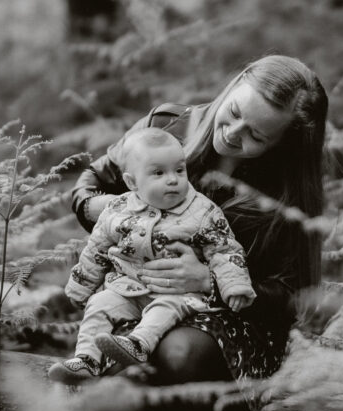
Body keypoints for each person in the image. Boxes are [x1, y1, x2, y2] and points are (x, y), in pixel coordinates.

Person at [70, 54, 328, 388]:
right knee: (124, 361)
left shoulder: (287, 192)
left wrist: (210, 281)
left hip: (233, 327)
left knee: (177, 355)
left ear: (282, 145)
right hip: (137, 294)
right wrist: (116, 210)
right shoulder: (166, 126)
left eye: (257, 136)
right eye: (234, 112)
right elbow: (89, 186)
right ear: (234, 86)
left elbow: (291, 297)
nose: (233, 134)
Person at [49, 128, 256, 383]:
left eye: (179, 170)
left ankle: (138, 345)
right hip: (128, 288)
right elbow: (97, 249)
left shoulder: (203, 212)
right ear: (132, 182)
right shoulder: (117, 209)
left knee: (164, 308)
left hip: (177, 294)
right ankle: (87, 360)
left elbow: (224, 249)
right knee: (99, 304)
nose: (173, 180)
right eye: (159, 173)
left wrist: (234, 285)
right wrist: (80, 287)